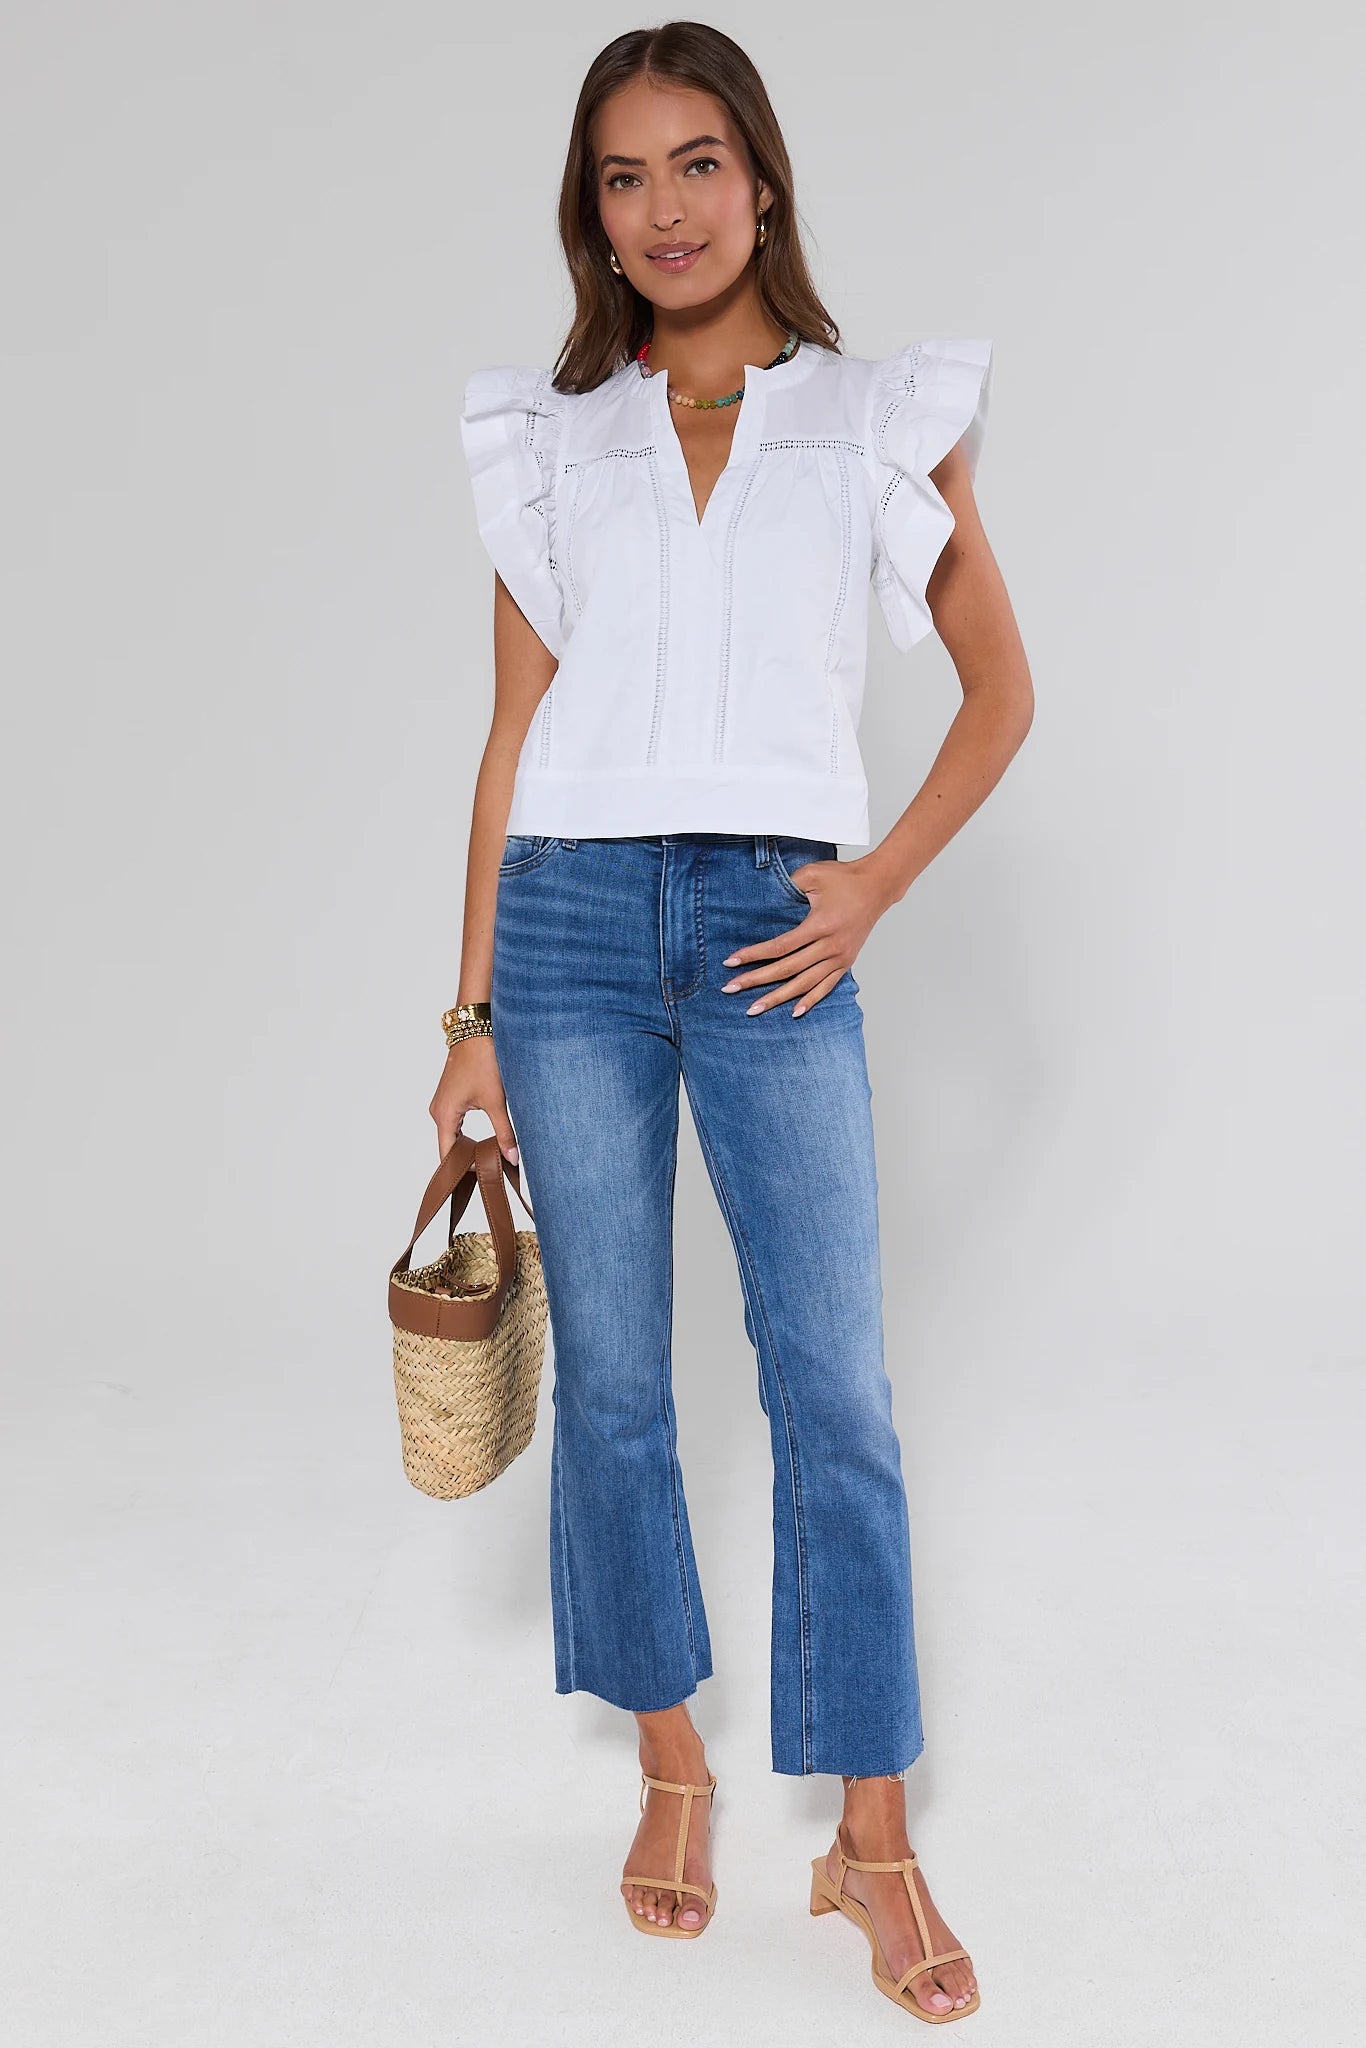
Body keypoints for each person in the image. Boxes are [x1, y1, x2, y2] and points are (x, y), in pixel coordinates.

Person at [432, 20, 1031, 2025]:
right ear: (589, 215)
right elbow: (512, 739)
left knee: (831, 1387)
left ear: (758, 180)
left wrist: (863, 887)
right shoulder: (560, 435)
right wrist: (472, 1012)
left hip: (779, 918)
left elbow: (996, 693)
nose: (663, 209)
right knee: (609, 1377)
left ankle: (870, 1833)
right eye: (622, 178)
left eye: (695, 164)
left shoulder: (875, 418)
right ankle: (669, 1767)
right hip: (578, 921)